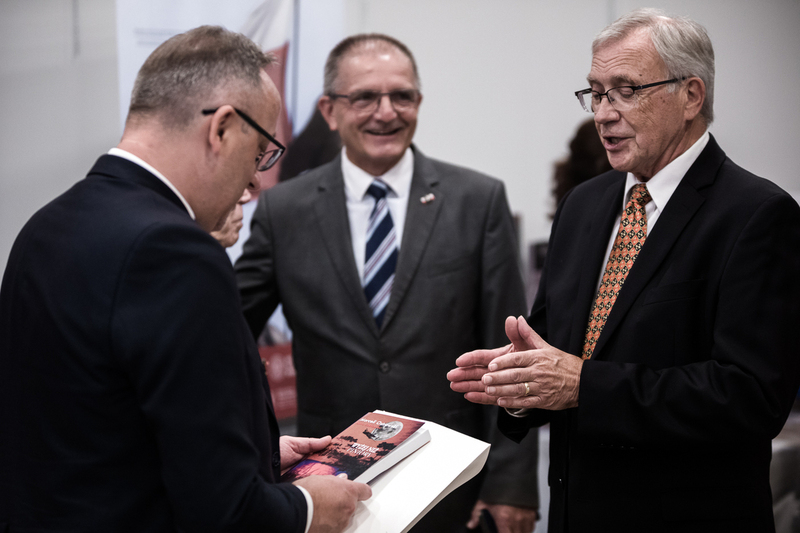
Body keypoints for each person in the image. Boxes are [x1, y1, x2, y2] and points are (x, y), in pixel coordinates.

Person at [0, 26, 371, 533]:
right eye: (260, 153)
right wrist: (310, 508)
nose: (254, 183)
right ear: (220, 129)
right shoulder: (175, 252)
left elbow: (98, 425)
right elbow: (225, 514)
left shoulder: (46, 225)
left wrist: (258, 455)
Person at [449, 8, 800, 533]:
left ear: (691, 96)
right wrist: (523, 384)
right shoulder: (583, 206)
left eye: (626, 90)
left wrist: (581, 384)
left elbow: (750, 397)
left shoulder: (756, 214)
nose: (603, 113)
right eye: (595, 91)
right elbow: (557, 357)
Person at [235, 33, 539, 532]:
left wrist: (510, 485)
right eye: (365, 98)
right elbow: (225, 330)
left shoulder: (477, 200)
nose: (386, 112)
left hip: (452, 484)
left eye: (402, 96)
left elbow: (509, 352)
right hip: (331, 485)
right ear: (329, 111)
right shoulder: (282, 210)